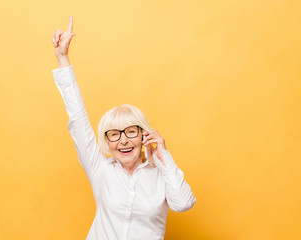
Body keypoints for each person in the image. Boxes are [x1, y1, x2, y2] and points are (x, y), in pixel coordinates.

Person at [51, 16, 196, 240]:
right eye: (114, 135)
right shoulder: (101, 169)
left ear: (142, 135)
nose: (123, 141)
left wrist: (163, 157)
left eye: (130, 131)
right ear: (107, 141)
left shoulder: (160, 175)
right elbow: (77, 118)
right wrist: (63, 58)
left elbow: (183, 204)